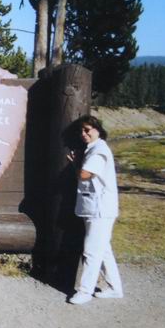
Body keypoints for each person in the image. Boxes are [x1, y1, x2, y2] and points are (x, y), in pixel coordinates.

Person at [67, 115, 123, 305]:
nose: (84, 134)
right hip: (94, 207)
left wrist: (75, 163)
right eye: (81, 131)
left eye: (87, 130)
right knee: (103, 250)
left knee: (91, 250)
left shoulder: (99, 150)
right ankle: (115, 288)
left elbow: (84, 174)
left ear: (98, 130)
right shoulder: (93, 149)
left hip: (100, 209)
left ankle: (85, 291)